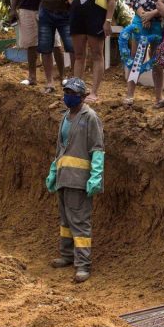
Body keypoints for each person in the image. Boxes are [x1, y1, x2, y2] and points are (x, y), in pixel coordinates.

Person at [45, 77, 104, 284]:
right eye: (66, 92)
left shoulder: (90, 117)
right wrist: (54, 170)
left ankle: (83, 264)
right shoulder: (65, 117)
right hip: (64, 176)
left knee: (79, 222)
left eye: (73, 93)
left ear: (82, 96)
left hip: (79, 179)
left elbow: (97, 149)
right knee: (65, 221)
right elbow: (60, 148)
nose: (68, 96)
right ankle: (67, 254)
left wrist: (96, 176)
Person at [57, 0, 116, 103]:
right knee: (79, 55)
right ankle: (77, 89)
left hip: (97, 17)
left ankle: (94, 92)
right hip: (78, 15)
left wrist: (108, 20)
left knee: (97, 54)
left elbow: (112, 0)